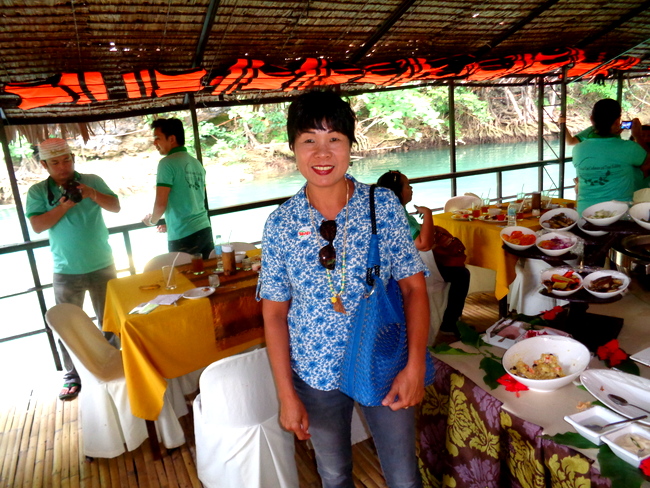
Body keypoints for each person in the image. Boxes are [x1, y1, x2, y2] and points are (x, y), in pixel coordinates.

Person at [258, 90, 429, 488]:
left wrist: (415, 365)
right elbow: (274, 313)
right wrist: (287, 395)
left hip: (385, 363)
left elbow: (415, 290)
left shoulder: (382, 205)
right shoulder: (281, 224)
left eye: (334, 139)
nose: (322, 153)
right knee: (333, 475)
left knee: (404, 476)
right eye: (309, 141)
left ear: (351, 146)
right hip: (315, 375)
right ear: (293, 149)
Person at [26, 138, 121, 400]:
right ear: (44, 164)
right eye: (55, 162)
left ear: (73, 158)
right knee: (67, 326)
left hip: (103, 264)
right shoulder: (37, 192)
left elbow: (115, 206)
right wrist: (64, 206)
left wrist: (91, 193)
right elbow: (37, 226)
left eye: (66, 160)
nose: (62, 167)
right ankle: (72, 374)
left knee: (111, 322)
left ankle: (114, 365)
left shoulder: (92, 180)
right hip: (65, 269)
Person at [377, 171, 470, 339]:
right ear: (397, 192)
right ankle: (449, 323)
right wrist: (428, 214)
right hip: (413, 271)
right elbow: (423, 244)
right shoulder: (398, 215)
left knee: (458, 271)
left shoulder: (392, 211)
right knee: (461, 275)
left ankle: (450, 320)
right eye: (407, 185)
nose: (411, 188)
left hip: (411, 266)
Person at [142, 118, 213, 258]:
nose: (154, 143)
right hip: (204, 230)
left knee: (185, 279)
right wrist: (170, 224)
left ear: (172, 139)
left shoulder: (166, 164)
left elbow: (161, 204)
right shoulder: (196, 163)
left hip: (183, 236)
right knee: (206, 275)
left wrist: (152, 221)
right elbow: (196, 200)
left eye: (158, 138)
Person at [572, 99, 650, 214]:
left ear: (591, 119)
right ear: (618, 121)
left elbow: (604, 155)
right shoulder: (629, 148)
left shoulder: (578, 149)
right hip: (619, 216)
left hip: (585, 215)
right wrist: (637, 136)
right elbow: (648, 164)